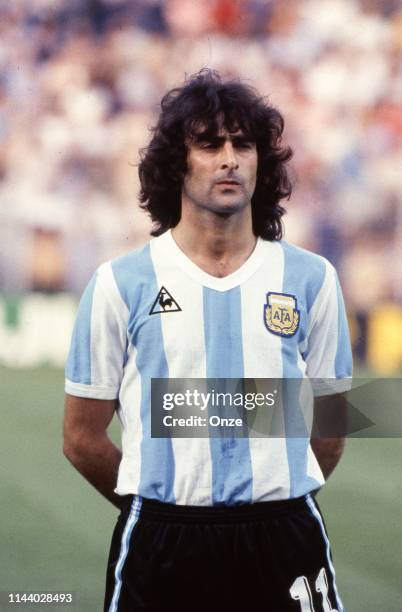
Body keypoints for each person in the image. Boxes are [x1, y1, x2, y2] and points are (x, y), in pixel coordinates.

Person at [63, 69, 352, 612]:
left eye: (243, 144)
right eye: (209, 143)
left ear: (261, 162)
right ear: (178, 162)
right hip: (163, 541)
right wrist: (153, 505)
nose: (229, 158)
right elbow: (81, 437)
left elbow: (331, 428)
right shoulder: (120, 284)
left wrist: (274, 488)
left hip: (283, 534)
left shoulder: (312, 279)